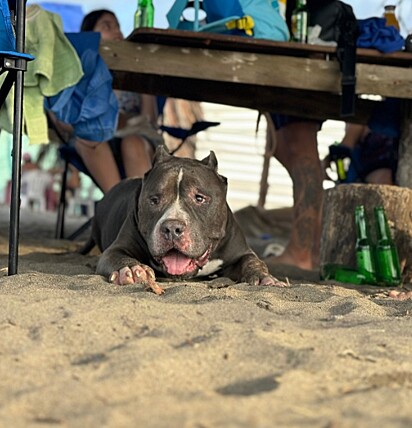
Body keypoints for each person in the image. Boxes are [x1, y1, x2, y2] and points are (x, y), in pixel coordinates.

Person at [76, 9, 163, 193]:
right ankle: (117, 204)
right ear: (89, 36)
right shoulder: (82, 73)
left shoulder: (134, 68)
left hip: (136, 134)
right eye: (107, 26)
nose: (117, 31)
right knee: (87, 137)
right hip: (98, 137)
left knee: (132, 142)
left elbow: (150, 120)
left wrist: (143, 80)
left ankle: (139, 207)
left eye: (118, 27)